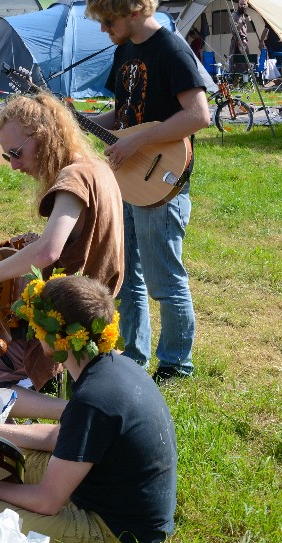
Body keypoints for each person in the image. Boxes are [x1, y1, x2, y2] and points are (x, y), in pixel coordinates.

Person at [0, 275, 177, 543]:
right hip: (100, 488)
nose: (32, 331)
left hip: (117, 531)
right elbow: (59, 437)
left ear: (59, 335)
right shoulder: (111, 367)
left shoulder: (94, 398)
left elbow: (47, 501)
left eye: (36, 324)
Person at [0, 94, 124, 413]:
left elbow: (48, 252)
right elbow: (79, 240)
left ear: (45, 135)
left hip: (67, 318)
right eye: (8, 157)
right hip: (93, 311)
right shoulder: (96, 168)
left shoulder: (73, 177)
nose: (16, 165)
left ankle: (66, 416)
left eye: (17, 153)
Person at [84, 0, 210, 382]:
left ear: (136, 10)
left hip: (161, 182)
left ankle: (176, 365)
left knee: (165, 282)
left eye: (109, 20)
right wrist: (75, 119)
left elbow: (198, 115)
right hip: (128, 181)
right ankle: (133, 357)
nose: (104, 29)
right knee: (127, 278)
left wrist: (138, 143)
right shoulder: (125, 50)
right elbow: (123, 117)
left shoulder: (170, 48)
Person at [228, 0, 250, 71]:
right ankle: (236, 81)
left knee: (244, 64)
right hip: (237, 42)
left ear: (247, 5)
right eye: (241, 4)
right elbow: (235, 30)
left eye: (244, 4)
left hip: (243, 41)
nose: (242, 6)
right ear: (238, 4)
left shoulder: (243, 15)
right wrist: (244, 21)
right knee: (237, 66)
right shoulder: (234, 15)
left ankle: (244, 81)